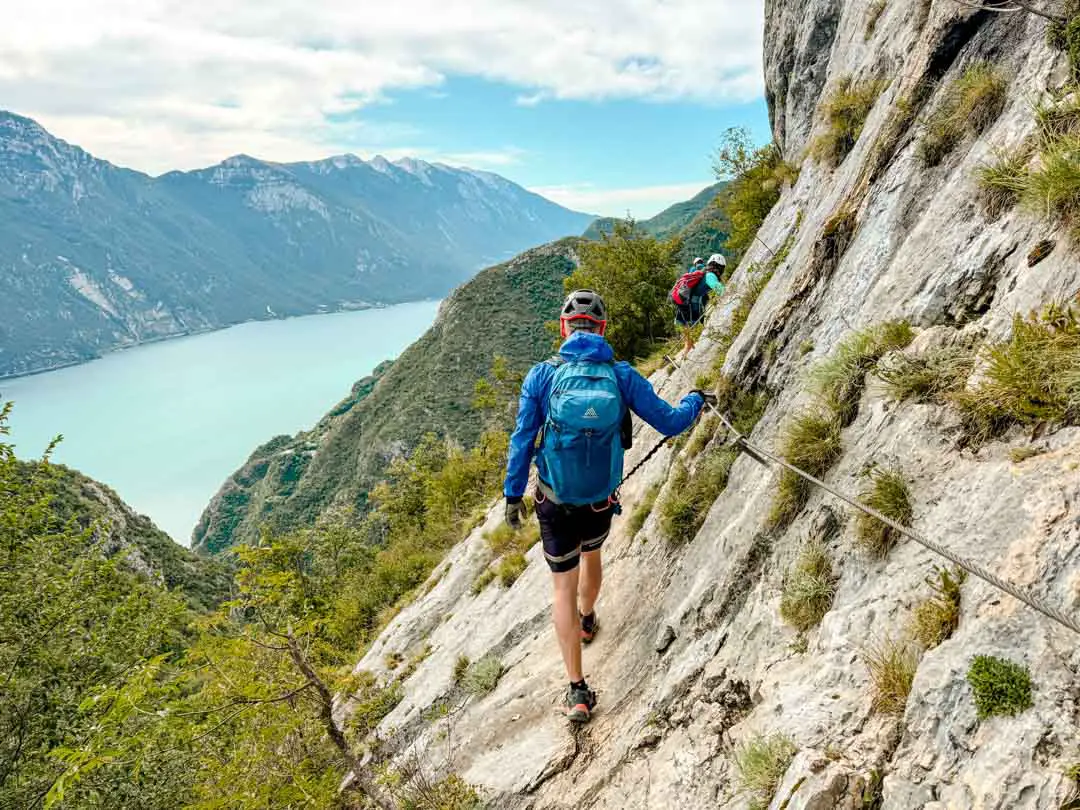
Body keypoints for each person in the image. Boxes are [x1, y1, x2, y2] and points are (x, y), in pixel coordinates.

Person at [503, 289, 715, 724]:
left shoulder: (542, 376)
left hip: (554, 499)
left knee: (561, 584)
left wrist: (512, 495)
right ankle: (587, 618)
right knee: (593, 554)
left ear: (565, 329)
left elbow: (522, 440)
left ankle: (577, 690)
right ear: (601, 329)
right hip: (599, 498)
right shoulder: (621, 376)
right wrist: (696, 399)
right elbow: (672, 422)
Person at [673, 253, 727, 354]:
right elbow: (720, 290)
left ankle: (688, 344)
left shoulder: (704, 271)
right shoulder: (710, 275)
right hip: (693, 302)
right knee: (691, 323)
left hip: (686, 299)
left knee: (680, 322)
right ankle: (689, 345)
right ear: (719, 267)